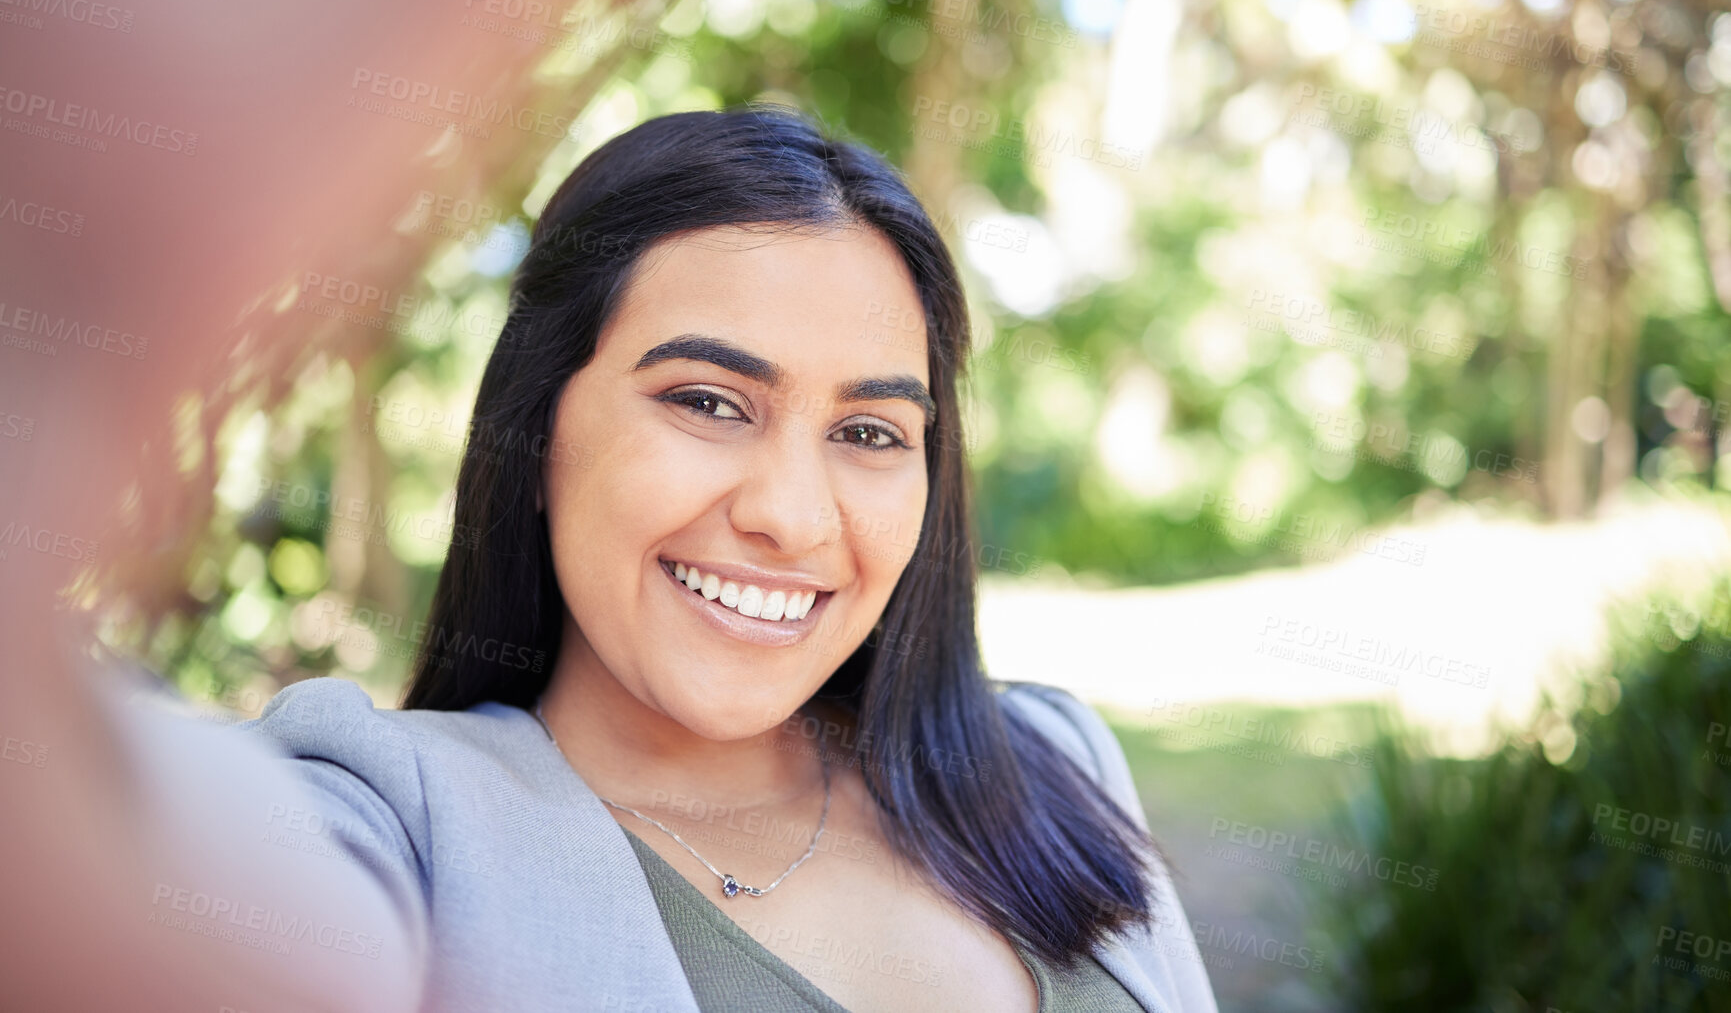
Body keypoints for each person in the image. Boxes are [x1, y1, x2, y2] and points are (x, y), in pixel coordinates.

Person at [111, 107, 1220, 1012]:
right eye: (706, 402)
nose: (793, 516)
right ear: (537, 430)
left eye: (871, 432)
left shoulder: (1054, 762)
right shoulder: (391, 826)